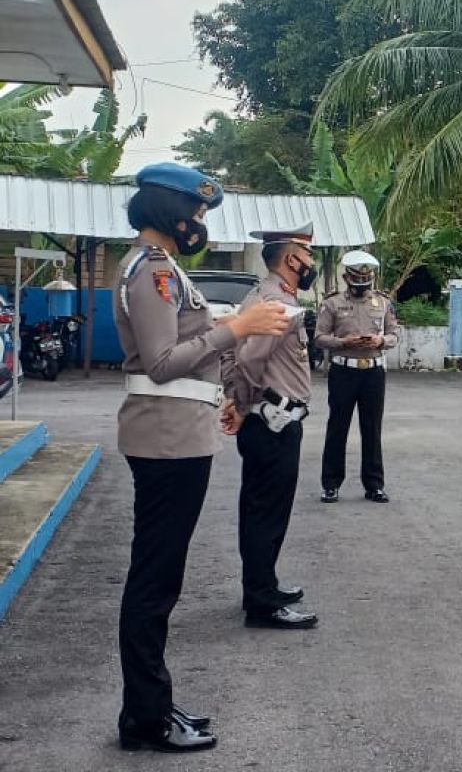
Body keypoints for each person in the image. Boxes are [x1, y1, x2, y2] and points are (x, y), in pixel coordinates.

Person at [115, 163, 290, 752]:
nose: (199, 223)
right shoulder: (151, 272)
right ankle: (145, 717)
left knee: (161, 576)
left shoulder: (161, 270)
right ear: (168, 210)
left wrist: (222, 384)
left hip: (179, 435)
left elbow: (181, 355)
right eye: (195, 212)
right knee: (154, 581)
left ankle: (152, 704)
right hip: (165, 442)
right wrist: (237, 326)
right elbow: (163, 361)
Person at [223, 222, 321, 630]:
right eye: (308, 255)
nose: (312, 263)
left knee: (260, 510)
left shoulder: (266, 296)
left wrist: (239, 401)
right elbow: (248, 361)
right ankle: (262, 604)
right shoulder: (276, 303)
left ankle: (261, 587)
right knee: (266, 513)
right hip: (273, 422)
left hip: (270, 420)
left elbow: (235, 353)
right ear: (291, 259)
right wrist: (243, 405)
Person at [314, 250, 399, 504]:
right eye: (356, 278)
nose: (362, 282)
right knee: (337, 428)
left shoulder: (383, 303)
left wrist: (380, 340)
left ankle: (374, 485)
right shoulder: (332, 303)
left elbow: (395, 334)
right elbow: (318, 337)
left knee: (372, 428)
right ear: (346, 277)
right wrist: (342, 342)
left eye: (366, 278)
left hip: (373, 371)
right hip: (343, 370)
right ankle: (330, 484)